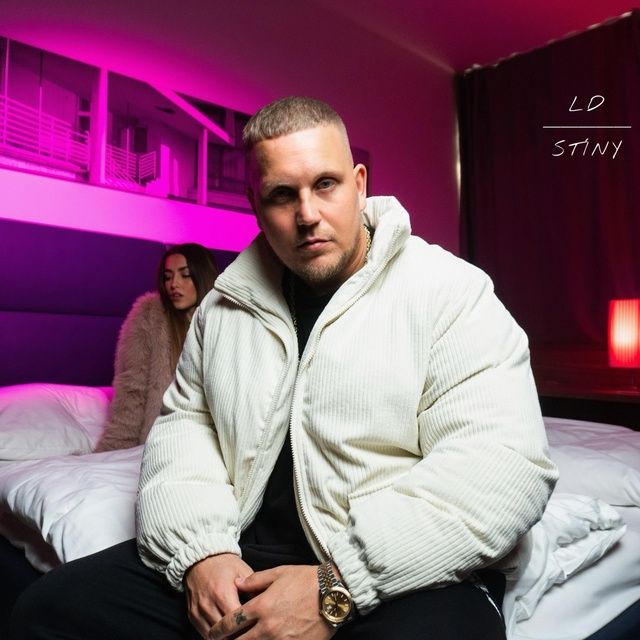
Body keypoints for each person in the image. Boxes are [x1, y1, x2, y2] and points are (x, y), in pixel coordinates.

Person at [10, 97, 558, 640]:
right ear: (255, 203)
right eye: (282, 194)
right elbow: (184, 436)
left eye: (326, 184)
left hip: (401, 569)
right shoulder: (223, 307)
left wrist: (336, 585)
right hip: (242, 556)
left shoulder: (450, 292)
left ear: (359, 184)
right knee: (47, 611)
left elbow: (503, 468)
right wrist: (201, 553)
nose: (308, 214)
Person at [95, 243, 219, 451]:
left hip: (211, 442)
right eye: (167, 277)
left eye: (185, 275)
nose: (174, 284)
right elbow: (132, 391)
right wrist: (114, 449)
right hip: (163, 441)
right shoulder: (150, 317)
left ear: (202, 277)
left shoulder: (224, 320)